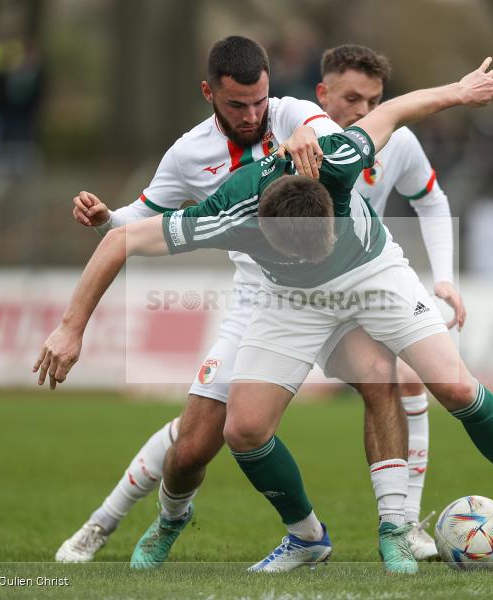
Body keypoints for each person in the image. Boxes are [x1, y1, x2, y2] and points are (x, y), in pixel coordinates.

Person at [36, 57, 493, 574]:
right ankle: (306, 536)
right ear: (260, 231)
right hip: (288, 297)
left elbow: (393, 112)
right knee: (244, 429)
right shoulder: (230, 211)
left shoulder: (340, 158)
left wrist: (459, 93)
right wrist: (70, 327)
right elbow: (120, 243)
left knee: (455, 387)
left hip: (372, 274)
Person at [53, 36, 420, 571]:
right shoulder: (188, 153)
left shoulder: (292, 109)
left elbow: (326, 128)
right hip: (261, 297)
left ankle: (396, 530)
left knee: (383, 380)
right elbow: (143, 217)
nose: (252, 115)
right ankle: (166, 519)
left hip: (335, 285)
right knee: (195, 443)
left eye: (259, 101)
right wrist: (106, 218)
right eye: (236, 105)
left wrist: (302, 131)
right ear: (209, 93)